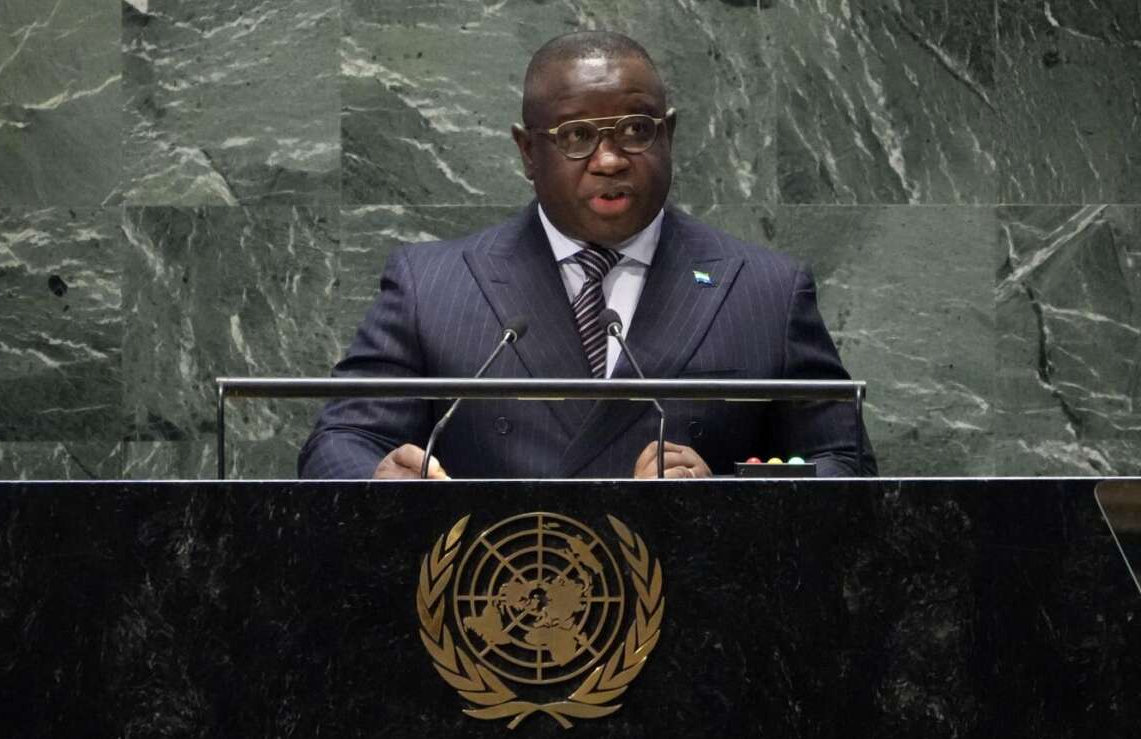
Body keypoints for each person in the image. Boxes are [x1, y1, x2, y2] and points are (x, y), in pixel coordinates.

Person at [299, 31, 876, 480]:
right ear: (528, 152)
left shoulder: (766, 291)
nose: (609, 160)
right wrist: (382, 481)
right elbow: (339, 444)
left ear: (669, 135)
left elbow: (845, 466)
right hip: (490, 589)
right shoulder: (432, 287)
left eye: (635, 130)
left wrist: (724, 496)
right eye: (577, 136)